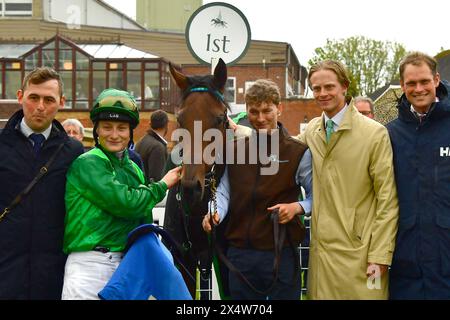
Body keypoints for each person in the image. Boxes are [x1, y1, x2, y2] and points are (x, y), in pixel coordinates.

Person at [61, 88, 182, 300]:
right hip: (88, 266)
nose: (114, 134)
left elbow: (141, 217)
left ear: (130, 132)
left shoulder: (134, 167)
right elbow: (126, 203)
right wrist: (162, 185)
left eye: (122, 128)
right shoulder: (88, 163)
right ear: (96, 130)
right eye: (107, 127)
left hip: (126, 264)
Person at [296, 60, 399, 299]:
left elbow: (387, 199)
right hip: (322, 259)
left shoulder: (374, 134)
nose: (322, 94)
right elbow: (280, 148)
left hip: (363, 258)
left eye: (329, 87)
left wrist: (380, 256)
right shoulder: (312, 130)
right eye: (316, 88)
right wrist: (236, 132)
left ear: (344, 86)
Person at [202, 79, 312, 300]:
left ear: (279, 108)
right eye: (254, 112)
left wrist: (297, 207)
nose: (260, 119)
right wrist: (215, 213)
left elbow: (317, 195)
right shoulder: (232, 150)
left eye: (266, 111)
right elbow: (223, 191)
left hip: (282, 253)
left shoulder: (298, 152)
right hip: (240, 254)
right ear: (247, 111)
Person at [0, 67, 84, 299]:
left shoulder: (73, 151)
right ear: (20, 97)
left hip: (53, 275)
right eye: (33, 97)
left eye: (49, 100)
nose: (40, 106)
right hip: (6, 272)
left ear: (62, 102)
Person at [386, 52, 450, 299]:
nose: (418, 88)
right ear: (402, 86)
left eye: (424, 81)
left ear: (436, 79)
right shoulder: (389, 134)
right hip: (406, 263)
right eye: (411, 83)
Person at [135, 110, 169, 182]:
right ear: (166, 125)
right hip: (149, 192)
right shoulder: (158, 147)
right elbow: (156, 181)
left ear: (150, 123)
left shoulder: (141, 141)